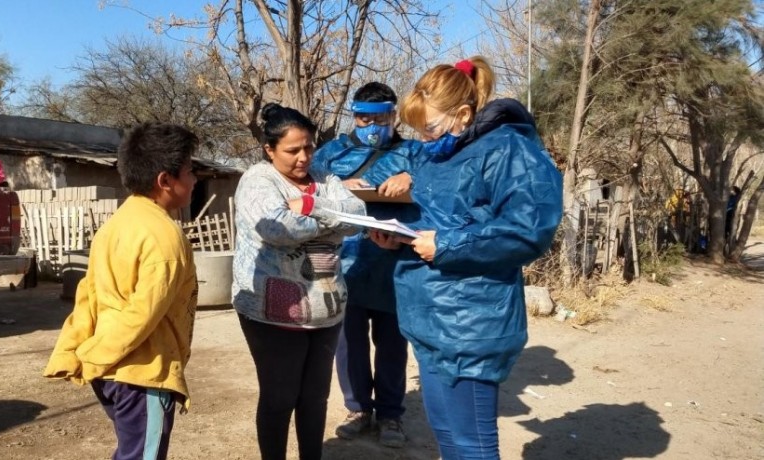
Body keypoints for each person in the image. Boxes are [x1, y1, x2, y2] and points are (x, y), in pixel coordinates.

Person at [369, 57, 562, 459]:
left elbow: (528, 229)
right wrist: (393, 237)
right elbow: (432, 215)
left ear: (462, 114)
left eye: (431, 128)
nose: (423, 139)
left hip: (471, 325)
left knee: (472, 444)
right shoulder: (433, 154)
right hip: (428, 319)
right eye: (418, 131)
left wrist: (447, 245)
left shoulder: (509, 149)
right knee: (448, 438)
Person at [43, 123, 200, 460]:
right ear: (165, 180)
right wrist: (95, 355)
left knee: (132, 451)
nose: (194, 179)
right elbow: (142, 315)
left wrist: (76, 349)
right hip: (143, 374)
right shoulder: (164, 237)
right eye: (189, 171)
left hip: (112, 372)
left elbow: (88, 296)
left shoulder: (115, 225)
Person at [232, 102, 366, 460]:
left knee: (315, 398)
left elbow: (358, 214)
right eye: (292, 150)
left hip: (326, 312)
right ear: (269, 149)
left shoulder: (323, 176)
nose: (304, 157)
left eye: (308, 147)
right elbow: (277, 227)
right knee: (279, 398)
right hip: (272, 312)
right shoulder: (258, 180)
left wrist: (305, 207)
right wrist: (329, 216)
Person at [311, 82, 423, 448]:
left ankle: (391, 414)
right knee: (350, 344)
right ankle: (358, 409)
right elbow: (308, 193)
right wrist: (341, 187)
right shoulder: (331, 154)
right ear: (353, 116)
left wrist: (412, 178)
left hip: (396, 267)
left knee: (393, 345)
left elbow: (440, 187)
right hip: (345, 264)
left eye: (381, 118)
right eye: (364, 118)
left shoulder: (414, 153)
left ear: (394, 116)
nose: (372, 125)